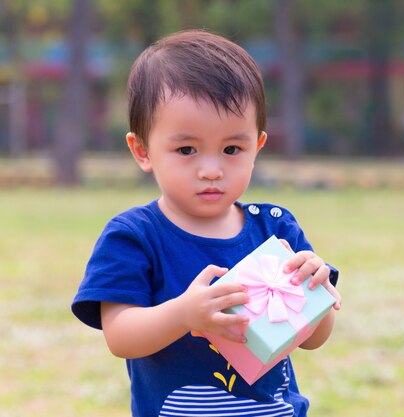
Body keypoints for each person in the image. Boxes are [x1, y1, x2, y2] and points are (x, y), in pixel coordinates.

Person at [71, 29, 341, 417]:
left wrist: (318, 294)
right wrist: (184, 314)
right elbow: (121, 336)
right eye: (186, 150)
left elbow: (313, 340)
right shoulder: (134, 235)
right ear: (142, 150)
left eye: (232, 149)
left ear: (257, 147)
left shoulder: (276, 228)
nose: (211, 170)